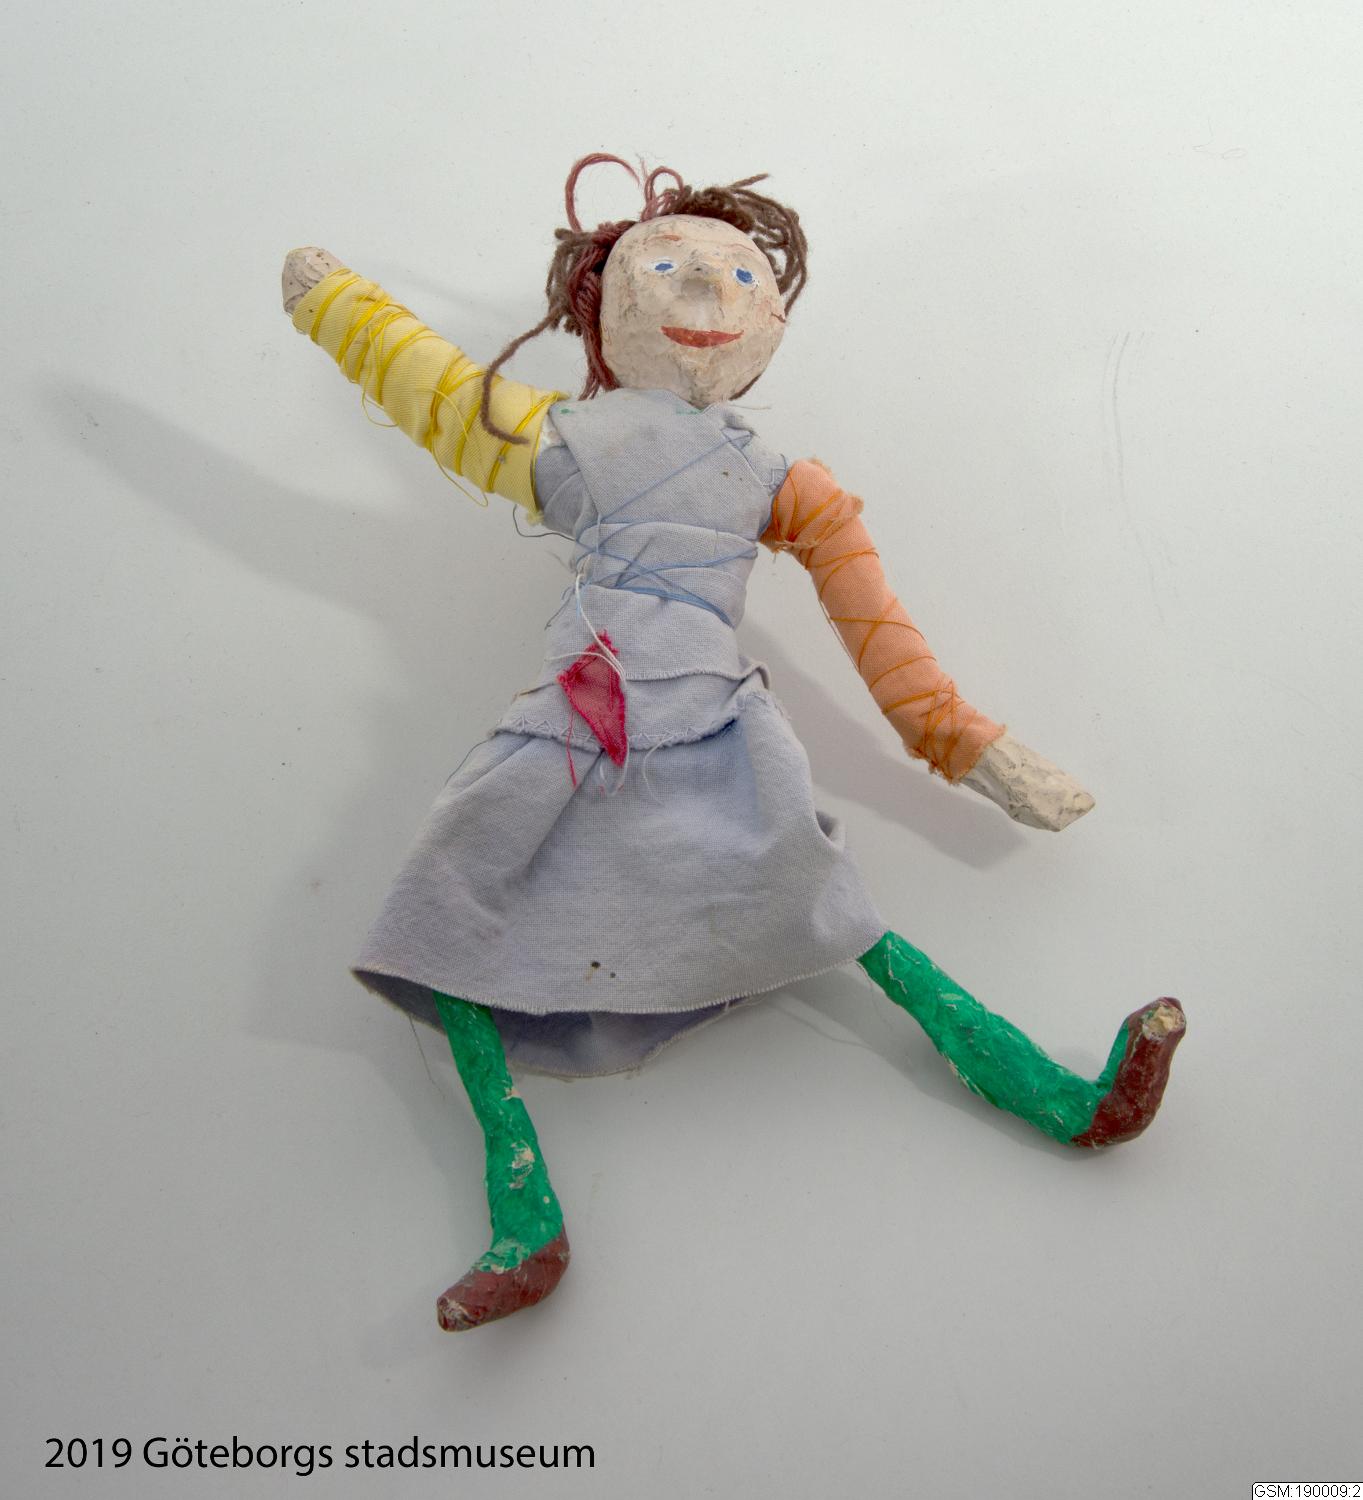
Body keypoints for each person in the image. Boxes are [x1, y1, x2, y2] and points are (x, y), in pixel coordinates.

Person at [282, 154, 1185, 1333]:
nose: (708, 291)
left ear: (772, 324)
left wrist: (968, 744)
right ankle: (524, 1213)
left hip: (711, 725)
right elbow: (441, 395)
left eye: (741, 275)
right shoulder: (567, 442)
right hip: (576, 722)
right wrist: (340, 304)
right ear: (602, 301)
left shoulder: (777, 480)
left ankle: (1061, 1098)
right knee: (444, 907)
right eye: (667, 267)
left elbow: (881, 633)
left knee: (834, 906)